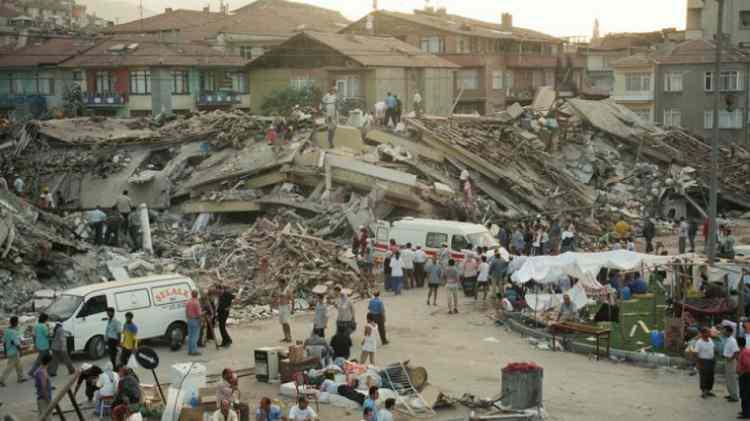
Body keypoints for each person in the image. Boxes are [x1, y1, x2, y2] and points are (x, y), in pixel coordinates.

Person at [0, 316, 26, 387]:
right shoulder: (13, 332)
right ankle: (1, 380)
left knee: (19, 365)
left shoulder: (6, 330)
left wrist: (5, 352)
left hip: (9, 351)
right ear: (16, 323)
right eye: (17, 322)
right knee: (9, 367)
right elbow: (16, 343)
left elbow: (4, 342)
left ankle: (20, 378)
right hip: (14, 352)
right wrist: (21, 351)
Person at [695, 327, 716, 398]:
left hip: (711, 360)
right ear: (703, 333)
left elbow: (713, 349)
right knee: (704, 377)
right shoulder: (699, 342)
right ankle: (703, 391)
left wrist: (714, 358)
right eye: (708, 332)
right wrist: (697, 363)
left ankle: (709, 390)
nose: (709, 333)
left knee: (711, 376)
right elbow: (696, 353)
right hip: (703, 361)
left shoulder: (710, 340)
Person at [27, 313, 51, 378]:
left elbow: (33, 335)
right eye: (47, 319)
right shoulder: (44, 326)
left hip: (39, 344)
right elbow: (47, 334)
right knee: (39, 360)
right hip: (44, 345)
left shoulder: (36, 326)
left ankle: (48, 371)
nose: (48, 320)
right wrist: (49, 328)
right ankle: (31, 372)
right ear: (45, 319)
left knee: (47, 358)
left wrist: (35, 344)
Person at [723, 326, 740, 402]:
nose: (724, 332)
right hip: (728, 360)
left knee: (732, 379)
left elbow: (736, 352)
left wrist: (731, 358)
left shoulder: (732, 340)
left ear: (729, 332)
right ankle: (731, 394)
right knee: (728, 379)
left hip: (731, 362)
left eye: (725, 331)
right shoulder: (728, 339)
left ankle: (734, 396)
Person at [276, 279, 293, 343]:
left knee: (286, 323)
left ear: (282, 283)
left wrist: (292, 309)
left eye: (279, 283)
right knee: (283, 323)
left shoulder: (288, 290)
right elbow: (278, 297)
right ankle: (286, 337)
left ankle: (289, 337)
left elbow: (292, 299)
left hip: (286, 307)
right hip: (281, 307)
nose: (278, 284)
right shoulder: (280, 290)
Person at [186, 290, 202, 356]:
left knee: (190, 336)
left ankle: (190, 350)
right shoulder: (196, 303)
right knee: (195, 336)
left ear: (191, 294)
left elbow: (186, 311)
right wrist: (201, 319)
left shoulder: (188, 302)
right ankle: (194, 351)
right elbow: (199, 314)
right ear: (197, 295)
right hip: (195, 320)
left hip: (189, 320)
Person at [738, 337, 750, 418]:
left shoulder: (744, 352)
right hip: (746, 375)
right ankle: (744, 411)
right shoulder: (745, 350)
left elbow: (747, 364)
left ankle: (746, 413)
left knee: (745, 394)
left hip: (746, 376)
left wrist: (742, 372)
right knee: (745, 394)